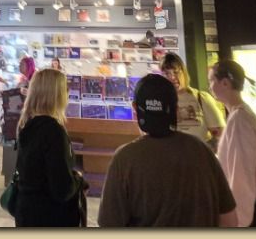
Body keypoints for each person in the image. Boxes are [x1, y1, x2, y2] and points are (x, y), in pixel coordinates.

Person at [97, 73, 235, 227]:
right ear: (176, 110)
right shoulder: (202, 151)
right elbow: (230, 220)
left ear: (135, 108)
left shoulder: (124, 159)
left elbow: (109, 225)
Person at [210, 59, 256, 227]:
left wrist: (238, 221)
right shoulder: (244, 114)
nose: (210, 87)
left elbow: (241, 175)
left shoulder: (238, 120)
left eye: (211, 80)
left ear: (225, 83)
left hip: (251, 212)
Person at [10, 68, 84, 227]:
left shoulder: (26, 123)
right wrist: (78, 180)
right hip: (49, 216)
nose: (68, 93)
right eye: (64, 89)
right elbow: (62, 189)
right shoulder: (53, 131)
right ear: (55, 95)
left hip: (27, 212)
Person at [160, 52, 224, 147]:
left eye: (176, 72)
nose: (173, 77)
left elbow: (221, 136)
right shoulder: (159, 102)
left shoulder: (201, 98)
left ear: (184, 72)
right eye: (167, 74)